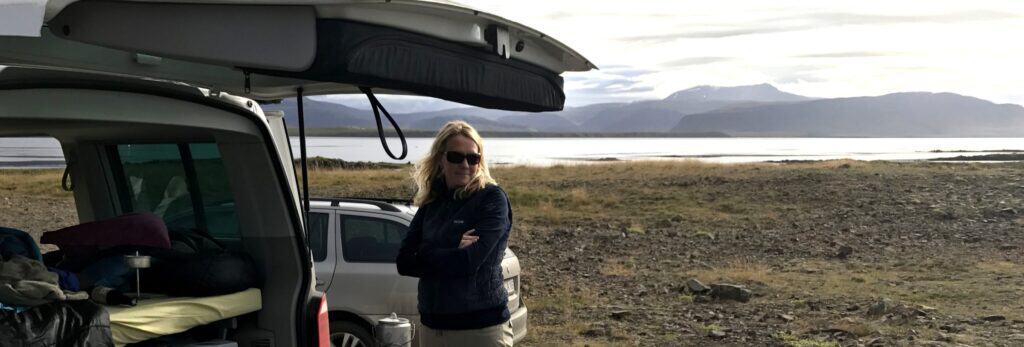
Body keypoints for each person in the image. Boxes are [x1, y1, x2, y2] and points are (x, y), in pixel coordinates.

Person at [397, 120, 514, 346]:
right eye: (456, 157)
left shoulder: (492, 199)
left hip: (481, 331)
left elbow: (468, 262)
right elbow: (403, 262)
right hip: (432, 330)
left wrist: (425, 252)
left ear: (480, 162)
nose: (465, 164)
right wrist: (452, 247)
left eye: (473, 158)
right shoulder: (431, 203)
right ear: (441, 159)